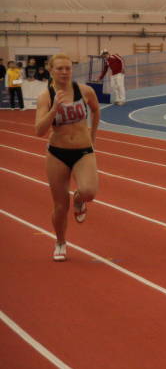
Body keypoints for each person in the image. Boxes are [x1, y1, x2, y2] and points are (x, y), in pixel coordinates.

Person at [34, 54, 100, 261]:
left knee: (89, 192)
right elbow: (39, 130)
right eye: (60, 68)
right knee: (61, 206)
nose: (64, 72)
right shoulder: (46, 96)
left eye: (68, 68)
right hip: (57, 153)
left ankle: (79, 200)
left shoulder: (85, 91)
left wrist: (92, 136)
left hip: (83, 150)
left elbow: (96, 110)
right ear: (51, 70)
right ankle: (60, 242)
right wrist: (54, 109)